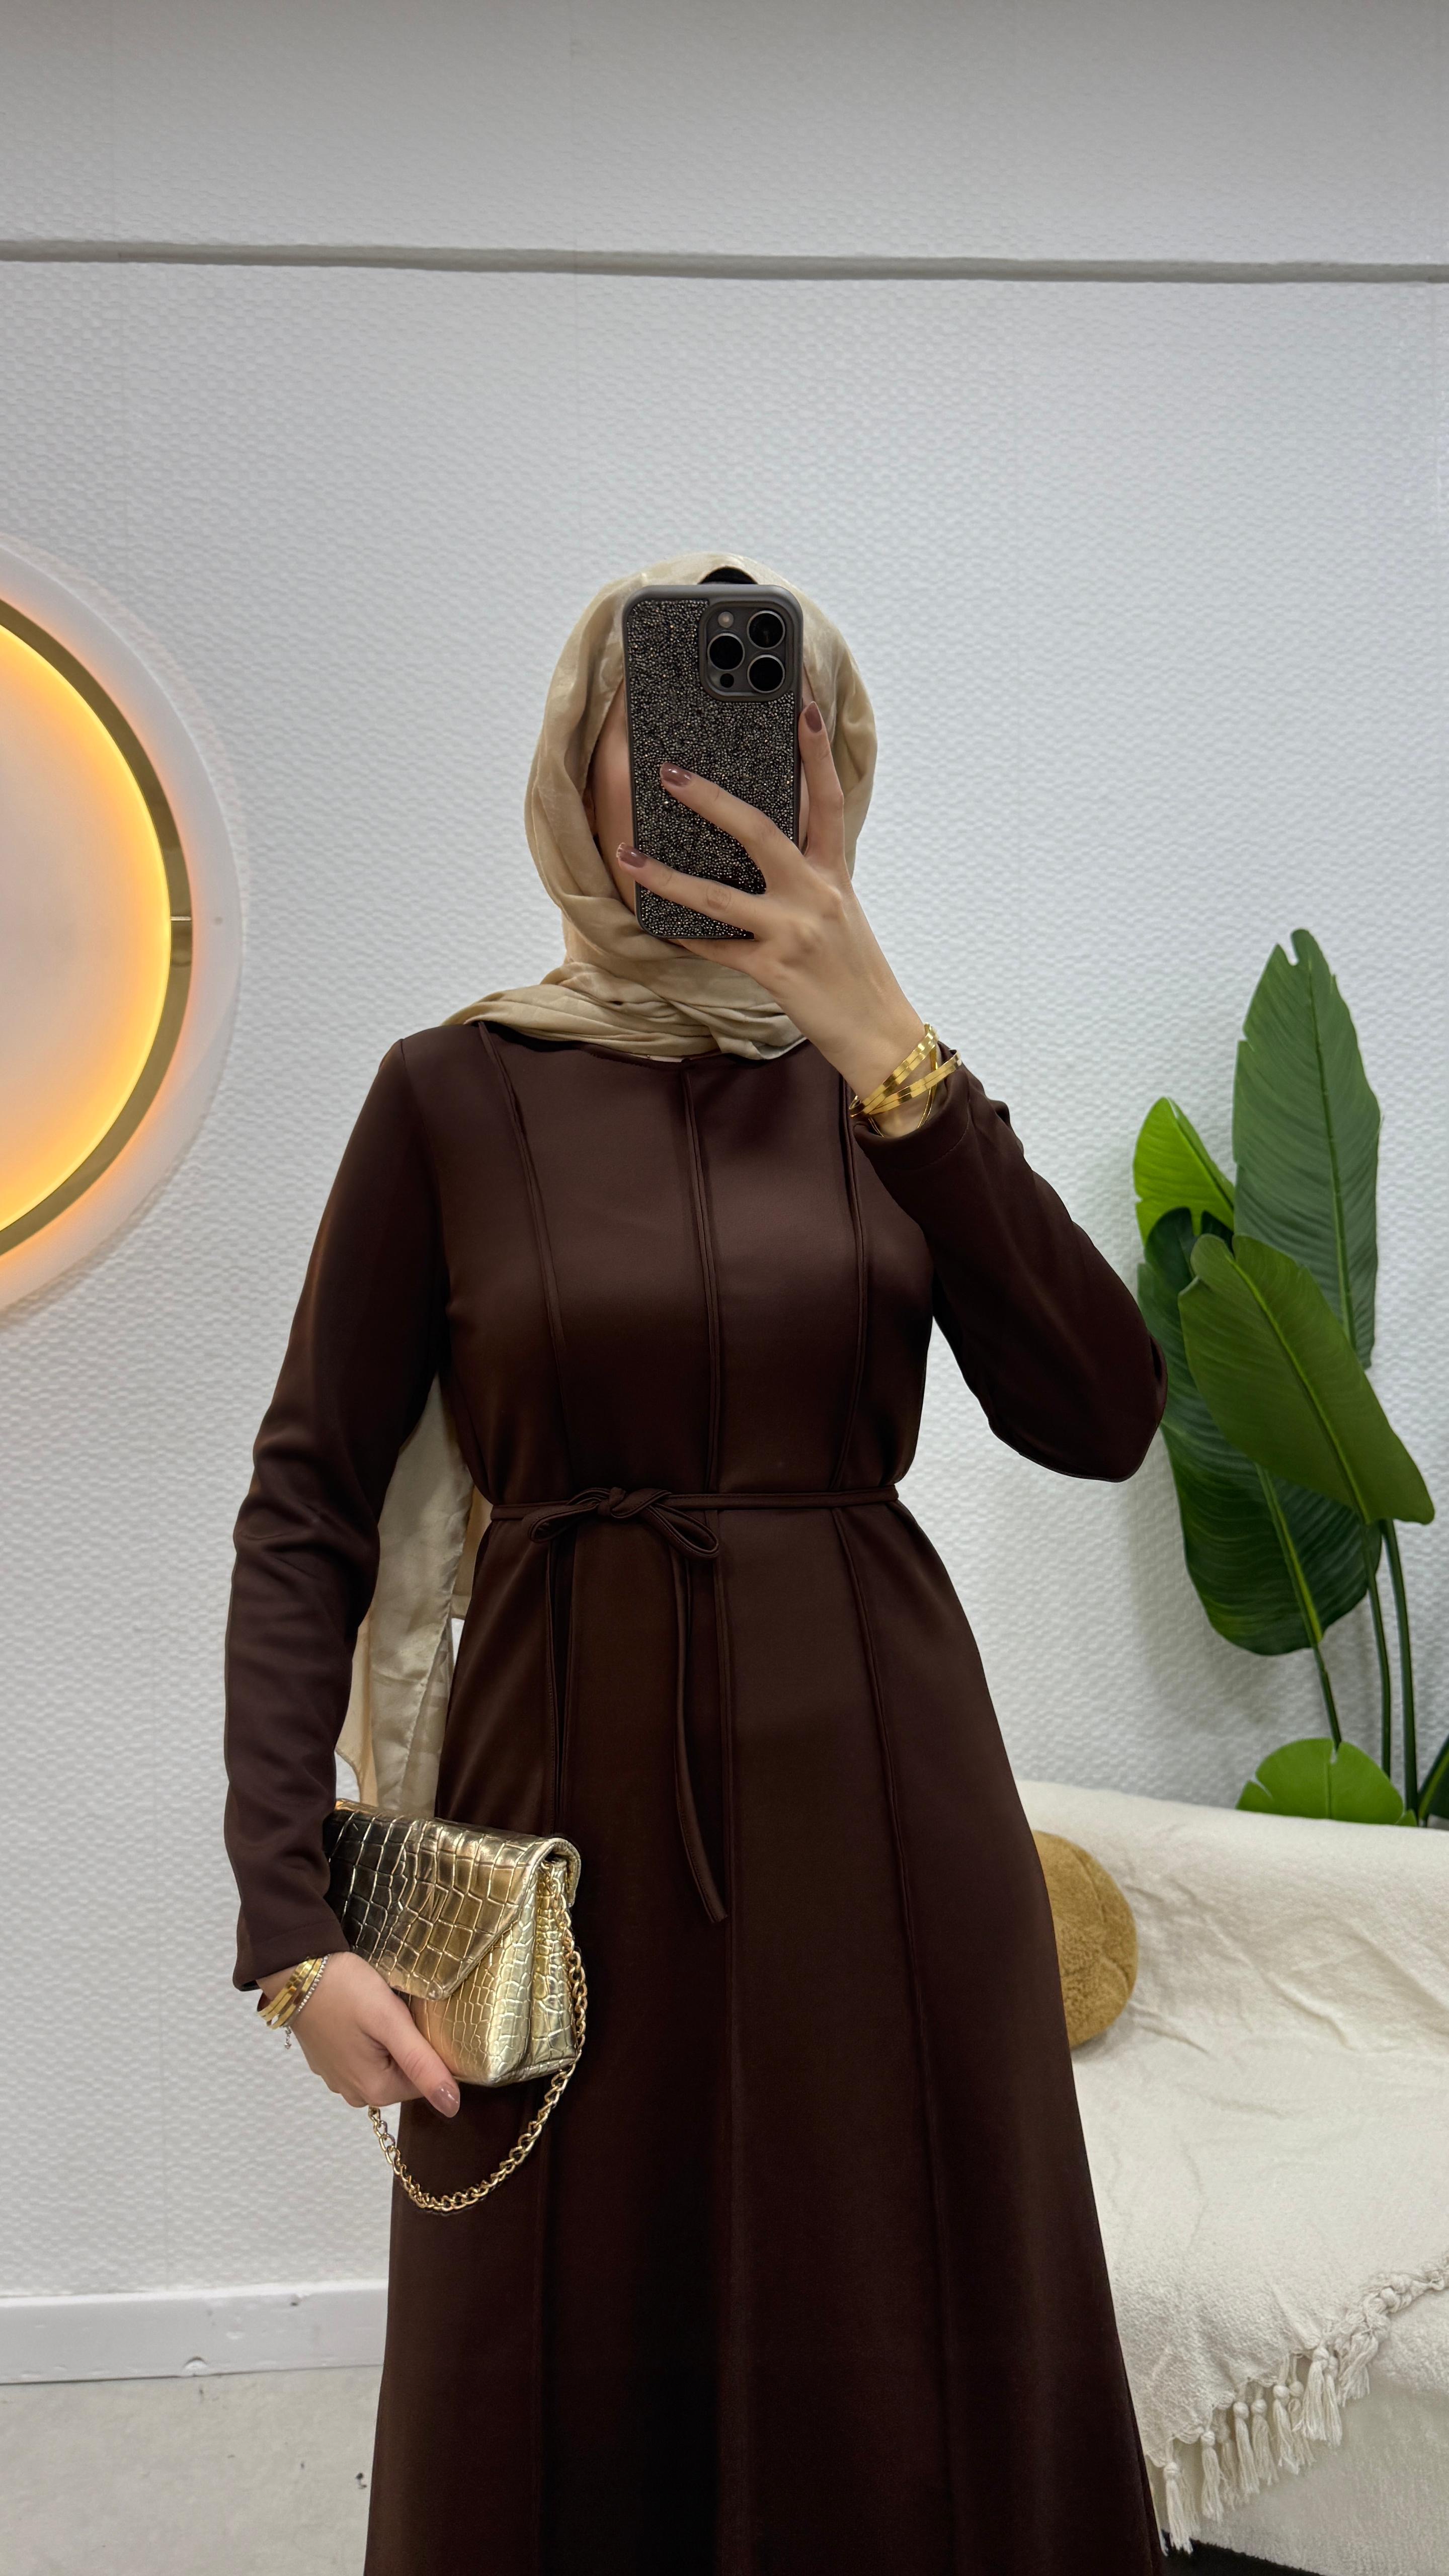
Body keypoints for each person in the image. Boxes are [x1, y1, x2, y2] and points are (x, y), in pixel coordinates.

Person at [223, 550, 1169, 2575]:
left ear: (837, 771)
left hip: (887, 1822)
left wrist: (890, 1046)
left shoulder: (888, 1092)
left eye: (777, 718)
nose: (728, 768)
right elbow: (308, 1504)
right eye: (665, 720)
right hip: (555, 1836)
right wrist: (289, 1923)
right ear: (582, 765)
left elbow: (1103, 1410)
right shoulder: (453, 1093)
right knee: (551, 2365)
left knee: (898, 2351)